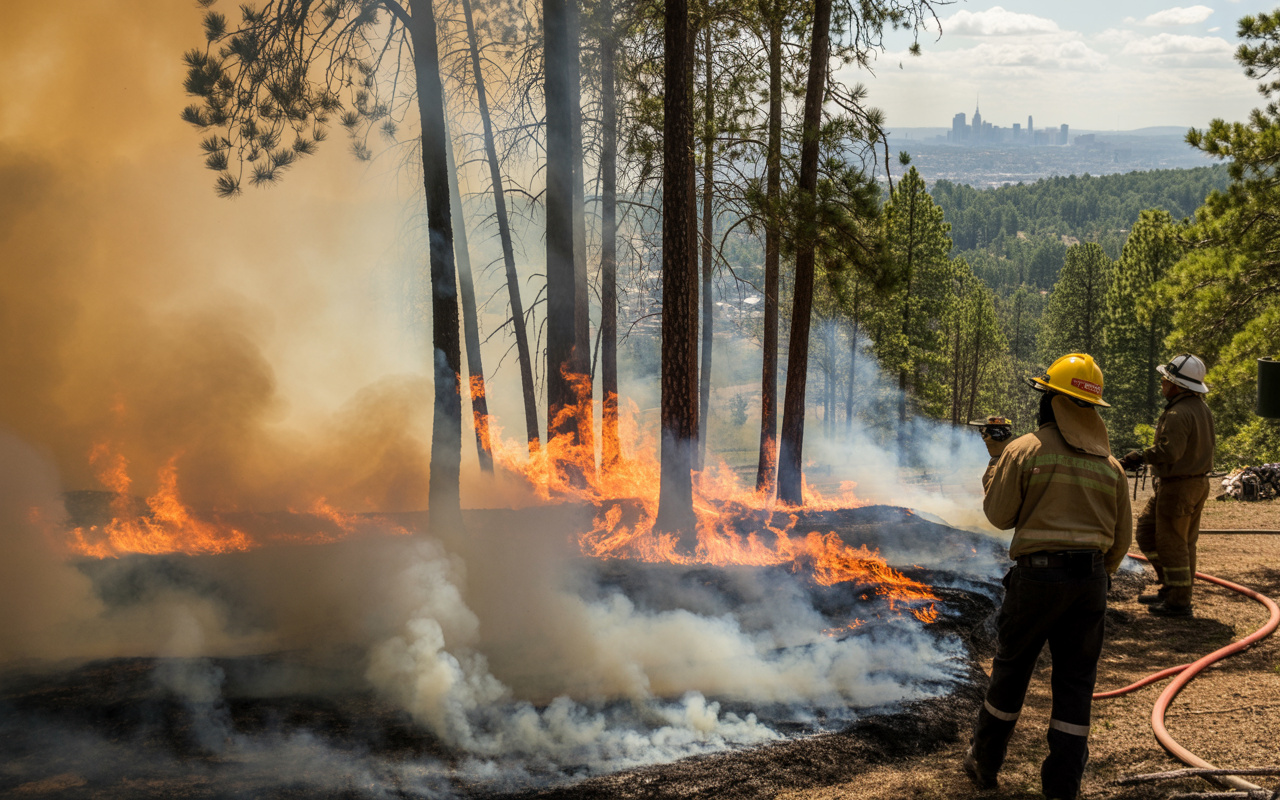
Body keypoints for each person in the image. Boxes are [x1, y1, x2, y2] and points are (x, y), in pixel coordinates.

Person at [964, 353, 1132, 800]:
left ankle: (985, 762)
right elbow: (1120, 540)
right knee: (1076, 684)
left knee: (1012, 670)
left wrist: (997, 457)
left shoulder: (1025, 449)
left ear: (1053, 401)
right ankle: (1062, 787)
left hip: (1038, 581)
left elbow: (999, 515)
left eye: (1045, 394)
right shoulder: (1111, 466)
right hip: (1091, 583)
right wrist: (1096, 576)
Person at [1118, 354, 1215, 618]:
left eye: (1166, 379)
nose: (1162, 383)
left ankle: (1178, 602)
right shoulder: (1199, 408)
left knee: (1174, 543)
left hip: (1179, 487)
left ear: (1177, 384)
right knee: (1148, 531)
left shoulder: (1178, 413)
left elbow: (1170, 452)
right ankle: (1171, 587)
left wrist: (1140, 456)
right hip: (1188, 484)